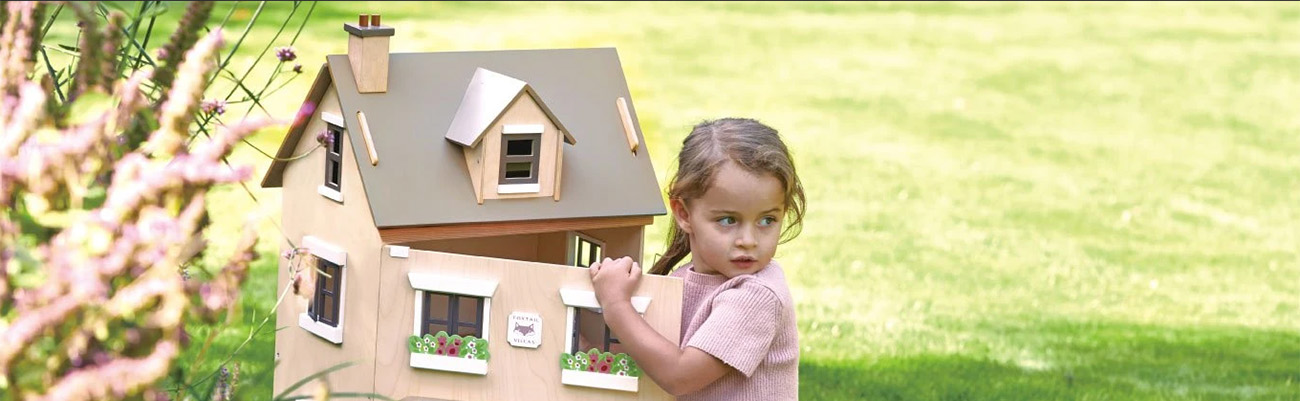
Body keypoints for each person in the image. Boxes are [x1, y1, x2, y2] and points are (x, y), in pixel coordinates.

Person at [590, 117, 805, 400]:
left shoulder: (757, 295)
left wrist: (616, 305)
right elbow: (643, 353)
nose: (749, 240)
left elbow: (680, 377)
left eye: (767, 220)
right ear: (683, 213)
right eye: (728, 220)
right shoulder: (682, 280)